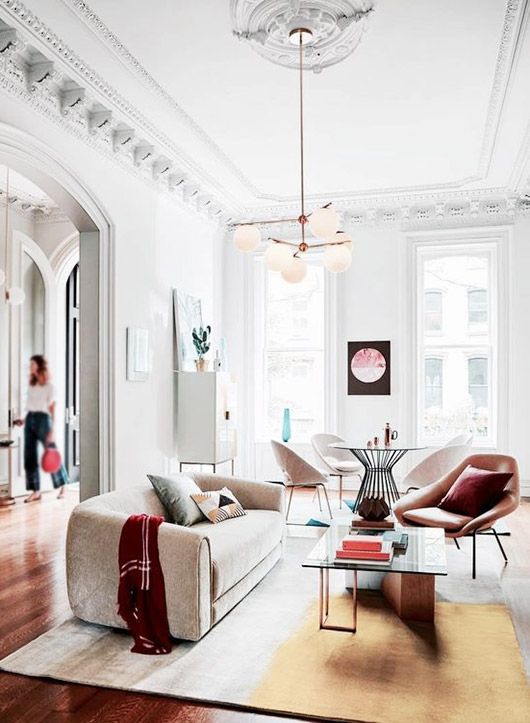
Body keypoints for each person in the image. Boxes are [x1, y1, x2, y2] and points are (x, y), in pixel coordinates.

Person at [14, 355, 69, 502]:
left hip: (44, 421)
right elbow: (31, 407)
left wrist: (52, 430)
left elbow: (52, 409)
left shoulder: (49, 387)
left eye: (32, 364)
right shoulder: (32, 386)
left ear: (39, 366)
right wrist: (23, 420)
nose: (30, 367)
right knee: (29, 457)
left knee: (51, 453)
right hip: (30, 419)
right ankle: (35, 491)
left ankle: (63, 485)